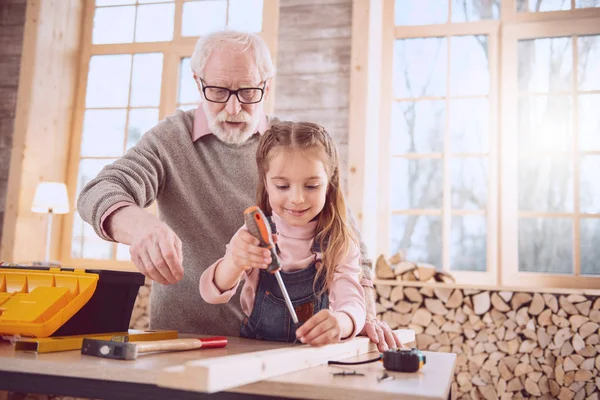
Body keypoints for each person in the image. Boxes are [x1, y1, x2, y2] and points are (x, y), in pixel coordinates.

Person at [77, 29, 401, 351]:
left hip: (269, 348)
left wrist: (357, 317)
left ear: (267, 85)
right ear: (197, 82)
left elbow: (348, 240)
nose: (233, 109)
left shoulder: (290, 147)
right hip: (184, 341)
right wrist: (141, 227)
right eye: (218, 91)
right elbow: (98, 191)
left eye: (247, 92)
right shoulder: (170, 140)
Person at [200, 121, 365, 344]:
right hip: (255, 355)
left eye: (312, 186)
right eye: (283, 186)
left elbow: (353, 305)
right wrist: (234, 261)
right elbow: (210, 294)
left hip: (313, 361)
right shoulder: (255, 235)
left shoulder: (338, 243)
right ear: (266, 184)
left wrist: (341, 322)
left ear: (329, 184)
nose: (297, 198)